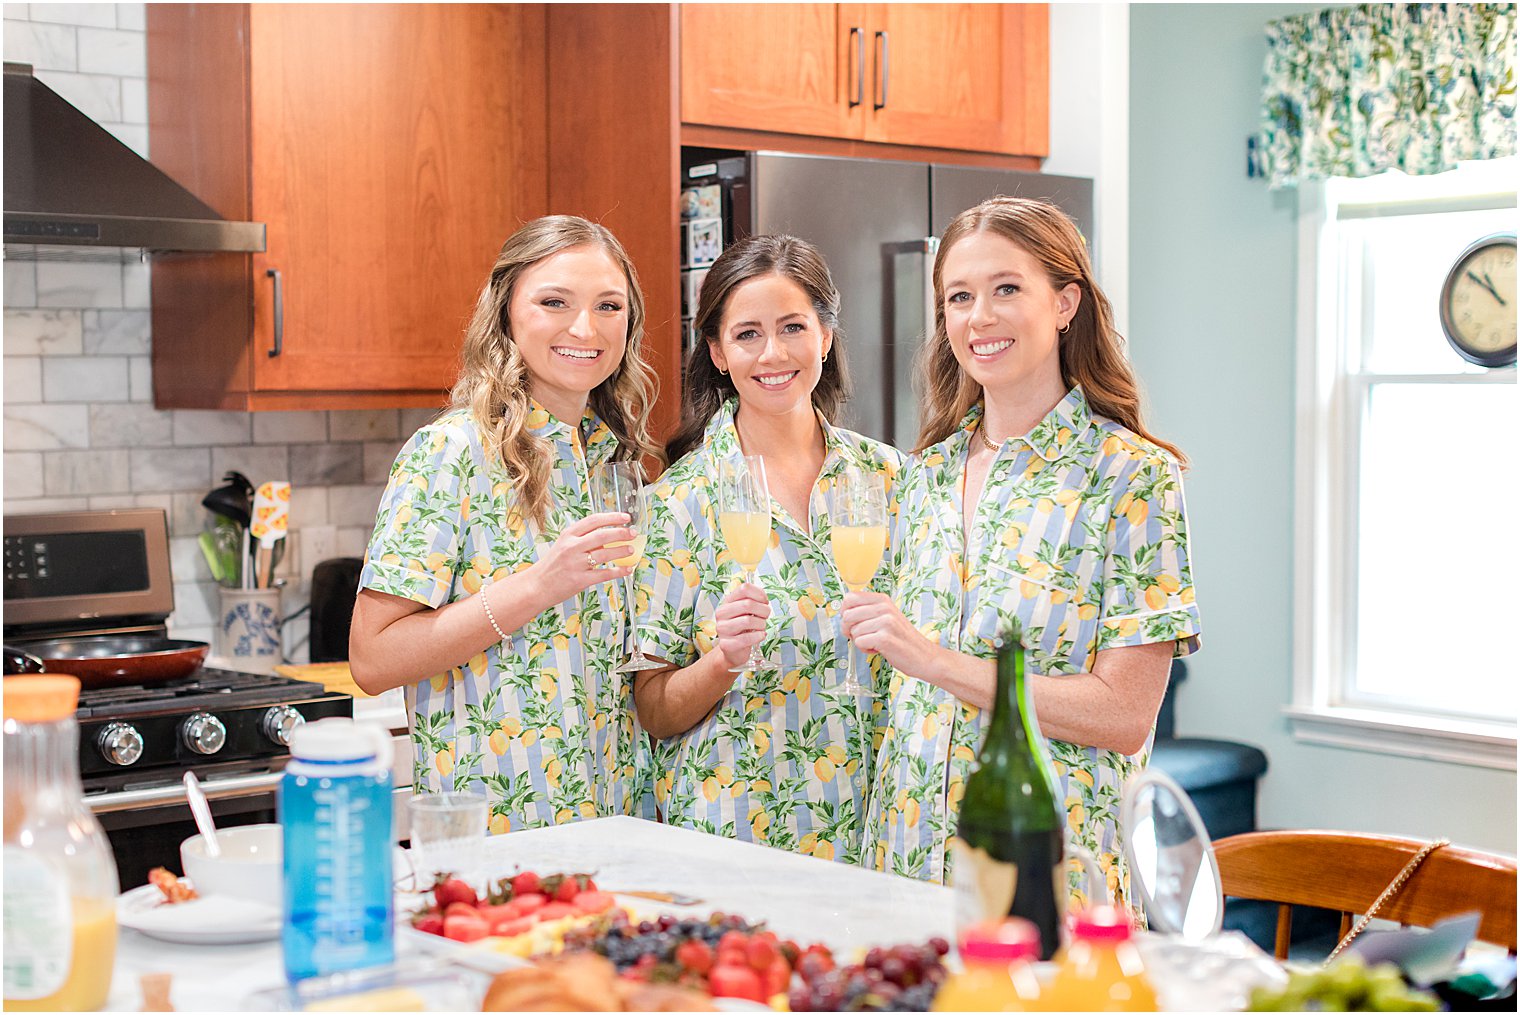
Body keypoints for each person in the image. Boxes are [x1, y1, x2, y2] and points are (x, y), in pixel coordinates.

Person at [843, 197, 1201, 910]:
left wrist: (935, 661)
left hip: (1048, 872)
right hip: (903, 862)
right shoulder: (923, 477)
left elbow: (1123, 714)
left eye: (1007, 288)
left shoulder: (1129, 475)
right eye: (959, 296)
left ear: (1066, 302)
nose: (980, 317)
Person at [349, 215, 661, 833]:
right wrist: (538, 587)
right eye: (554, 302)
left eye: (608, 306)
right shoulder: (451, 453)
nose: (585, 328)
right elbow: (372, 659)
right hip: (500, 836)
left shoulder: (615, 459)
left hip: (620, 823)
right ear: (506, 314)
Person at [632, 235, 904, 863]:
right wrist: (722, 659)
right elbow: (653, 709)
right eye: (748, 334)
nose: (773, 353)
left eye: (792, 327)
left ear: (826, 337)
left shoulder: (891, 480)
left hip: (879, 832)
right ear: (718, 353)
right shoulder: (680, 501)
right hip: (736, 838)